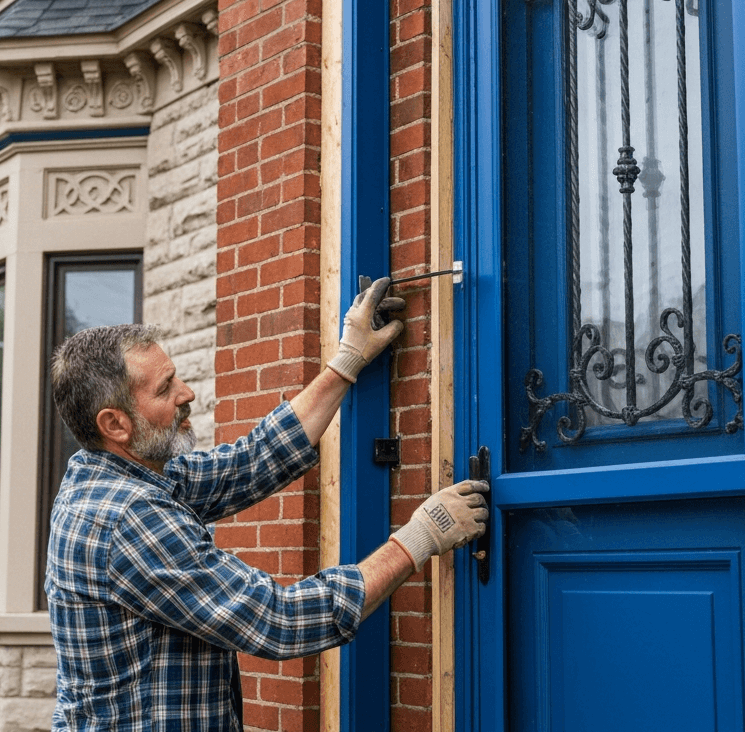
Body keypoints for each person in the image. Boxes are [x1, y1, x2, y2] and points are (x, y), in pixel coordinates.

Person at [46, 277, 489, 732]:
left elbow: (251, 461)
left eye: (176, 376)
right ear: (114, 424)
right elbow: (279, 619)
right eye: (164, 389)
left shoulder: (121, 476)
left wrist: (348, 358)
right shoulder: (127, 517)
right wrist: (420, 536)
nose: (187, 394)